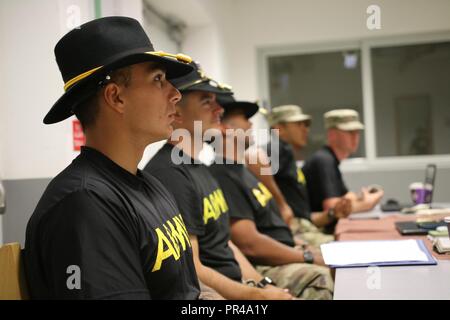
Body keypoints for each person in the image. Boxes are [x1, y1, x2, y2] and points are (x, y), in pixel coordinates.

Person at [25, 16, 200, 300]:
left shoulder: (149, 186)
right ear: (116, 98)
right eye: (158, 80)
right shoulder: (84, 204)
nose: (176, 94)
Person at [144, 62, 292, 300]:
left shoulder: (200, 168)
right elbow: (192, 269)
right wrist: (258, 296)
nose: (219, 110)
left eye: (216, 101)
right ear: (177, 112)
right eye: (206, 101)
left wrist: (261, 285)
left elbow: (226, 243)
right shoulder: (170, 174)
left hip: (238, 283)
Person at [209, 100, 334, 299]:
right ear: (226, 128)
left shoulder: (243, 170)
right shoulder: (221, 174)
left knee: (342, 259)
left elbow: (272, 226)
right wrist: (308, 256)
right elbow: (250, 244)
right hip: (264, 264)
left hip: (286, 251)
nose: (251, 125)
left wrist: (297, 244)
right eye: (245, 119)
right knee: (323, 277)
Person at [246, 105, 351, 242]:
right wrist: (282, 205)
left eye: (306, 124)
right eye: (298, 124)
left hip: (307, 228)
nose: (305, 129)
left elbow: (303, 217)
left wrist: (332, 213)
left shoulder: (287, 155)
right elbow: (253, 157)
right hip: (296, 233)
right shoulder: (278, 146)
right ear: (279, 129)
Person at [303, 109, 384, 214]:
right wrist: (366, 203)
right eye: (350, 132)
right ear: (332, 135)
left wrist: (361, 198)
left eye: (357, 132)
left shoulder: (330, 159)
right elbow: (332, 208)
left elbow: (347, 197)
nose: (355, 137)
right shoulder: (324, 160)